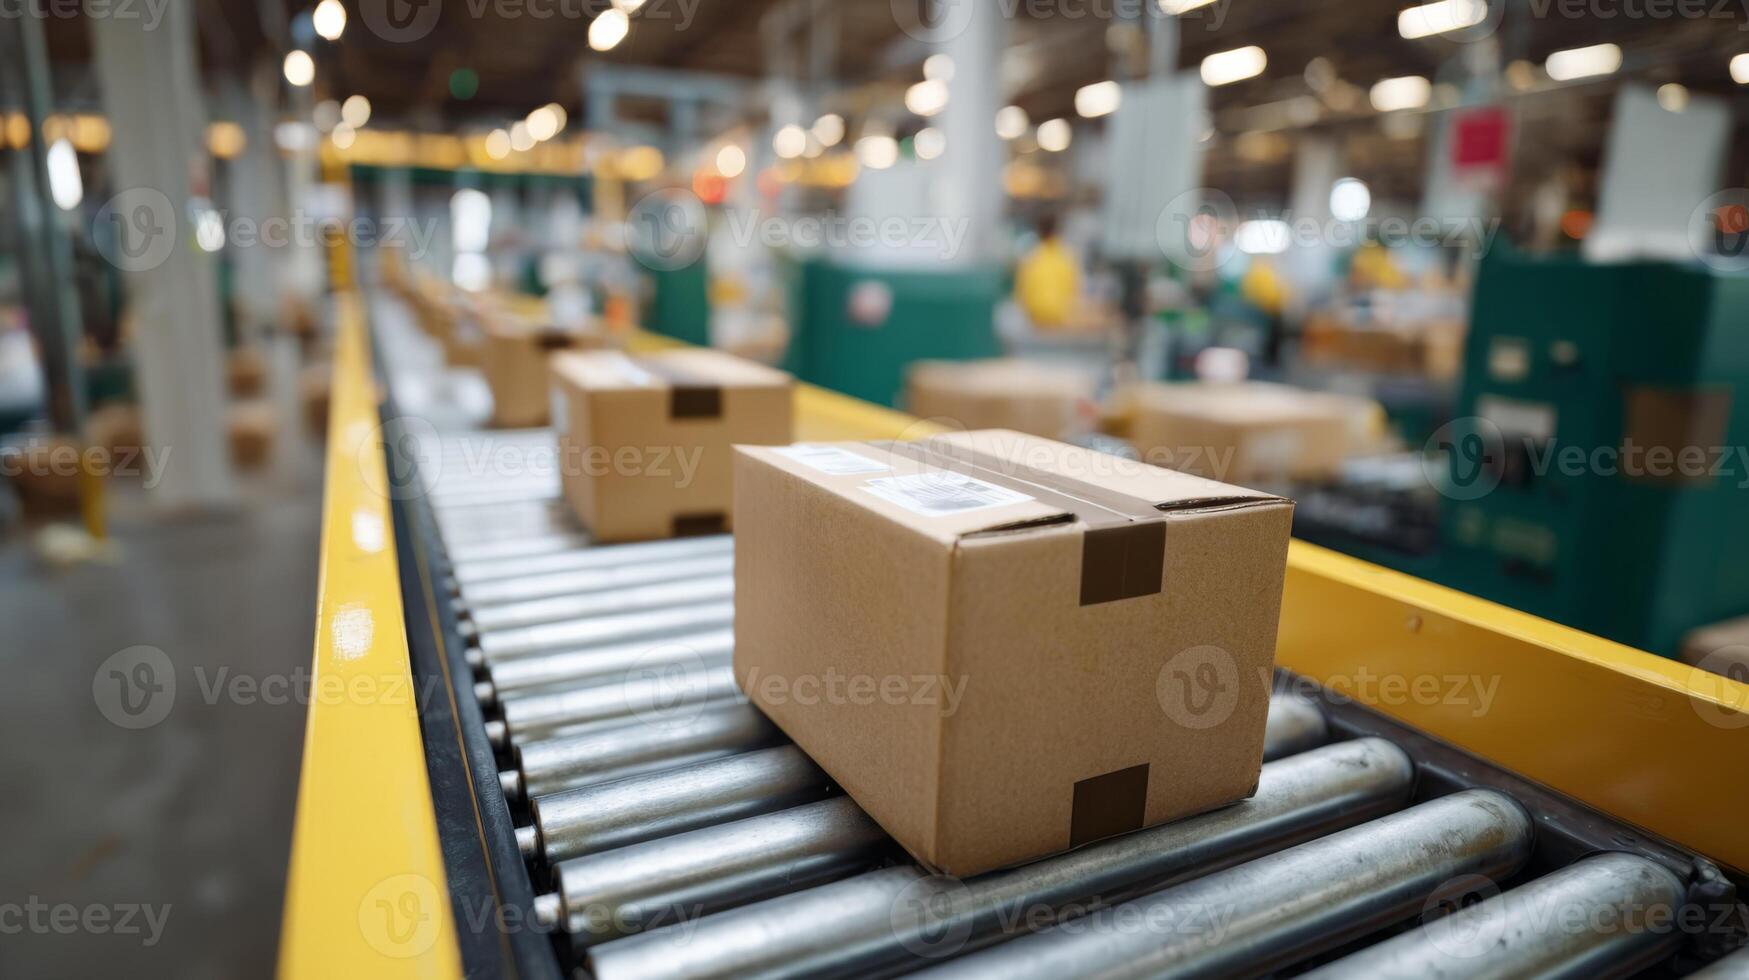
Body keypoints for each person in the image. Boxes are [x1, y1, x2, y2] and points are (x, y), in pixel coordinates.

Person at [1014, 213, 1080, 329]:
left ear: (1039, 231)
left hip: (1036, 319)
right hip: (1060, 318)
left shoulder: (1031, 257)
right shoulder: (1066, 256)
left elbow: (1021, 292)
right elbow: (1074, 288)